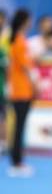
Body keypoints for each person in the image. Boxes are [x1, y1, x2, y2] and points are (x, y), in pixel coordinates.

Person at [8, 9, 36, 176]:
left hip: (22, 89)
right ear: (24, 21)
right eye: (29, 20)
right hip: (21, 90)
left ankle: (17, 160)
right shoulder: (19, 41)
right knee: (19, 127)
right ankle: (16, 162)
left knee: (20, 126)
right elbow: (26, 67)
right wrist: (36, 84)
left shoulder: (19, 40)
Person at [0, 9, 9, 154]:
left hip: (1, 87)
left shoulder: (9, 38)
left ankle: (3, 143)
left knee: (2, 116)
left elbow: (7, 66)